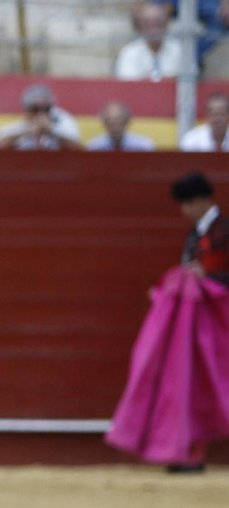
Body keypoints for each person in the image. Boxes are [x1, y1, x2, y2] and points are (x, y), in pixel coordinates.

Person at [106, 172, 229, 472]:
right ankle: (190, 453)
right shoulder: (199, 231)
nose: (184, 210)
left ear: (202, 200)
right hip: (199, 325)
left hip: (216, 323)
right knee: (191, 385)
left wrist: (208, 280)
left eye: (187, 203)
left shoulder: (224, 230)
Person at [0, 85, 85, 150]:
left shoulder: (63, 125)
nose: (40, 113)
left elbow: (77, 149)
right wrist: (27, 132)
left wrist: (52, 132)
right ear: (26, 110)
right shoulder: (15, 128)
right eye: (35, 109)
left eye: (46, 109)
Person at [115, 2, 184, 80]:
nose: (153, 30)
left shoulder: (180, 50)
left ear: (166, 23)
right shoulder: (129, 53)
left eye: (158, 23)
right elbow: (127, 85)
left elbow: (188, 81)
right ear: (138, 26)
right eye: (147, 24)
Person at [86, 101, 157, 150]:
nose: (115, 127)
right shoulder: (94, 147)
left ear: (127, 121)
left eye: (119, 121)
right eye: (110, 121)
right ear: (104, 123)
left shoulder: (143, 146)